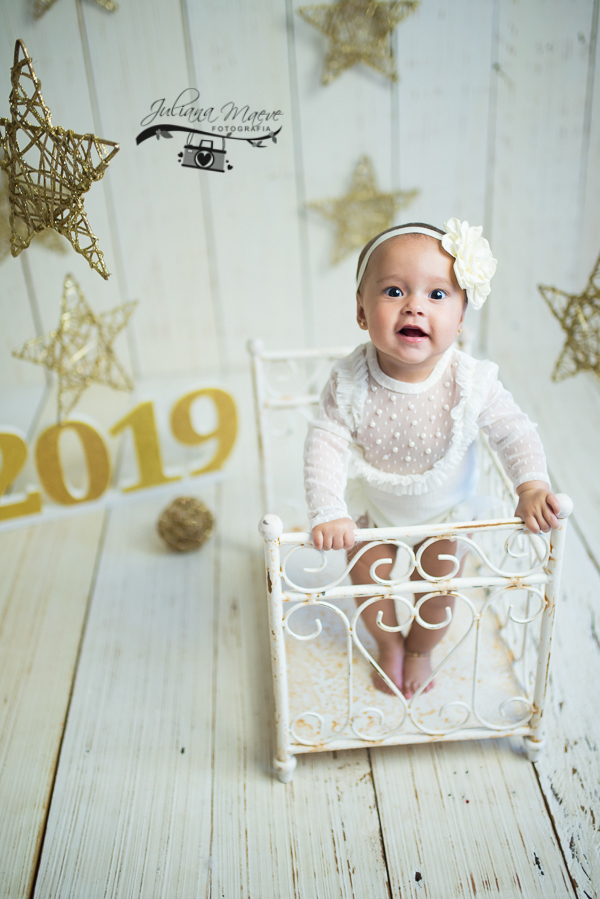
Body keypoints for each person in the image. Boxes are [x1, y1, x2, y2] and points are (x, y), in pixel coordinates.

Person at [303, 219, 560, 699]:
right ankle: (389, 643)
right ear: (362, 312)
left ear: (461, 318)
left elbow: (512, 430)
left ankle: (420, 649)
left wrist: (529, 485)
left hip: (445, 512)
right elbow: (325, 443)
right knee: (368, 583)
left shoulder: (470, 380)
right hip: (376, 509)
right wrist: (329, 511)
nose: (415, 305)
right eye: (394, 291)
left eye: (437, 295)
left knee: (437, 594)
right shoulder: (350, 381)